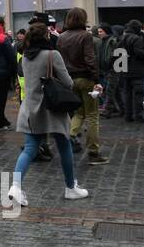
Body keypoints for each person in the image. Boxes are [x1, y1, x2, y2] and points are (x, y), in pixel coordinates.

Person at [6, 22, 89, 207]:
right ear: (46, 37)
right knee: (64, 145)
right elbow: (68, 83)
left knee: (30, 148)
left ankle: (15, 186)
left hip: (30, 108)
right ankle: (70, 187)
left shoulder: (25, 57)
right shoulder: (52, 55)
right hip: (52, 109)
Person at [57, 7, 108, 164]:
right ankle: (93, 152)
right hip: (86, 79)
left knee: (79, 113)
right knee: (92, 115)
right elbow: (90, 59)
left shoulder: (62, 37)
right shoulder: (85, 36)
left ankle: (69, 137)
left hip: (70, 80)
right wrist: (97, 80)